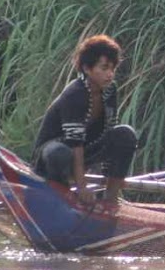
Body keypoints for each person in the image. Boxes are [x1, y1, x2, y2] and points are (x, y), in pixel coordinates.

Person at [33, 34, 139, 208]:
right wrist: (82, 186)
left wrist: (112, 174)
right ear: (87, 69)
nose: (110, 74)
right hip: (54, 153)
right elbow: (75, 143)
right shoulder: (75, 93)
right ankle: (62, 198)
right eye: (104, 68)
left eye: (112, 68)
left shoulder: (109, 90)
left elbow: (110, 130)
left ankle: (111, 199)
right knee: (60, 153)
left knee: (125, 134)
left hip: (85, 149)